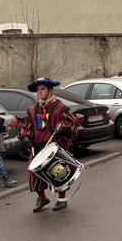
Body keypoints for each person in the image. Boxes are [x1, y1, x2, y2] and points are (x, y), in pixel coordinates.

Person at [18, 78, 80, 212]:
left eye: (43, 89)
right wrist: (26, 138)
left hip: (56, 147)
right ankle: (42, 198)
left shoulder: (60, 107)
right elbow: (26, 126)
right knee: (33, 172)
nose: (40, 92)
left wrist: (64, 128)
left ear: (50, 90)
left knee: (58, 172)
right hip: (38, 148)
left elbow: (72, 123)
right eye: (38, 90)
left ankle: (61, 199)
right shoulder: (32, 109)